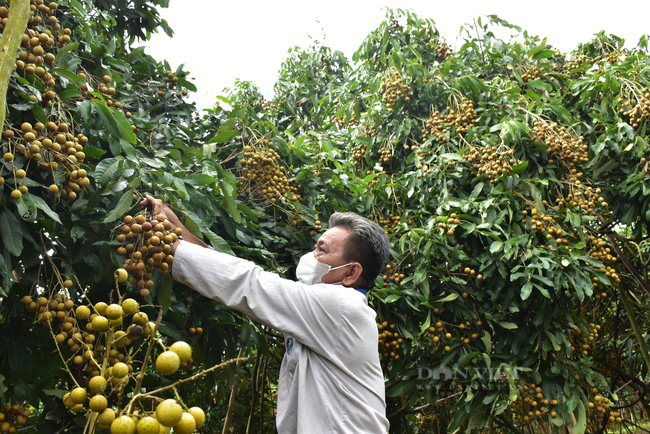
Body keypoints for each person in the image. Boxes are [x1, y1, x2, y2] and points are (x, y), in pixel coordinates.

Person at [141, 196, 391, 433]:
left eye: (322, 251)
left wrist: (172, 246)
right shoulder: (320, 314)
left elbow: (250, 284)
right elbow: (244, 280)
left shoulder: (341, 307)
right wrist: (177, 230)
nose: (311, 256)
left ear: (350, 273)